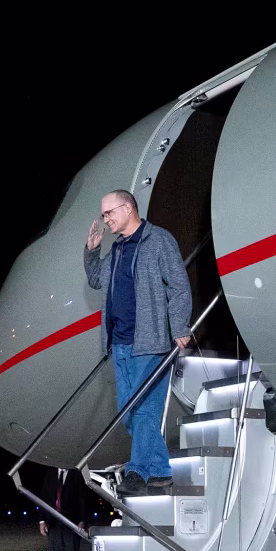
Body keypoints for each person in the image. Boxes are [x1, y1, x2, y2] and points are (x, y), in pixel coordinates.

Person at [84, 190, 192, 496]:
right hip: (119, 343)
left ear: (129, 208)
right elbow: (97, 280)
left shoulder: (158, 240)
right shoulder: (117, 248)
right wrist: (92, 251)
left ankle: (138, 471)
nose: (105, 220)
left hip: (150, 342)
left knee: (143, 410)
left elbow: (179, 285)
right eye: (103, 215)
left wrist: (180, 326)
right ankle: (160, 471)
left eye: (109, 213)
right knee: (127, 410)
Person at [38, 467, 87, 551]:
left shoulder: (77, 475)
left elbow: (83, 498)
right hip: (53, 520)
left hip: (71, 521)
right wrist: (42, 520)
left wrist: (82, 519)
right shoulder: (50, 476)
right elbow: (43, 499)